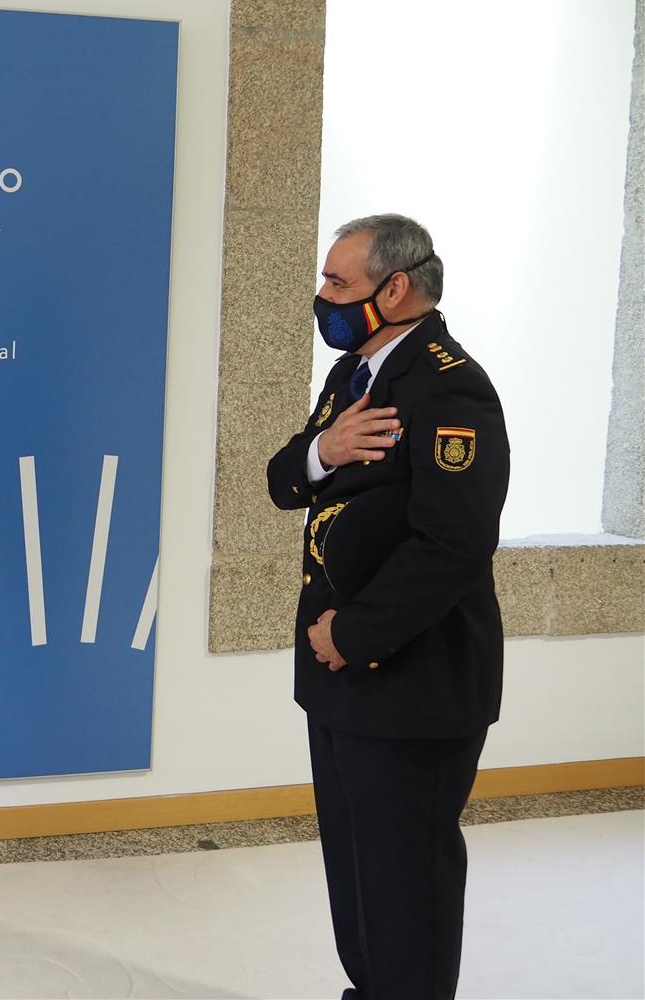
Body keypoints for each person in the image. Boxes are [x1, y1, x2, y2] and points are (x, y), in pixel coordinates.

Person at [266, 214, 509, 1000]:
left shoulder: (449, 385)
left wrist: (355, 633)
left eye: (339, 282)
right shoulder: (358, 373)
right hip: (342, 674)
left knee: (408, 881)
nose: (324, 296)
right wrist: (323, 449)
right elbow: (283, 480)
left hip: (411, 679)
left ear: (395, 288)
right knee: (357, 867)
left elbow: (454, 544)